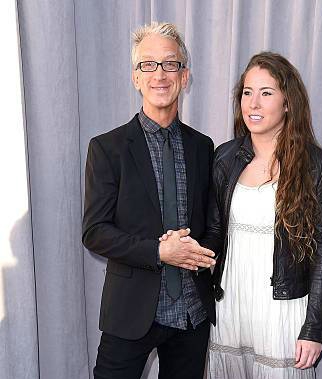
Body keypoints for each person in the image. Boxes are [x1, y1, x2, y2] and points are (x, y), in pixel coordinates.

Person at [163, 51, 322, 378]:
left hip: (281, 306)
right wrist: (189, 249)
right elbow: (214, 232)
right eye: (247, 92)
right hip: (229, 303)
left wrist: (314, 327)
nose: (253, 104)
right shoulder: (225, 158)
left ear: (288, 103)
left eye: (266, 93)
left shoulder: (315, 164)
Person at [82, 22, 217, 379]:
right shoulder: (107, 148)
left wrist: (204, 255)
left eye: (170, 64)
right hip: (130, 311)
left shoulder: (203, 147)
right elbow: (95, 232)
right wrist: (159, 252)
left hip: (192, 312)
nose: (160, 74)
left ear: (184, 76)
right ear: (135, 78)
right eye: (148, 65)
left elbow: (212, 224)